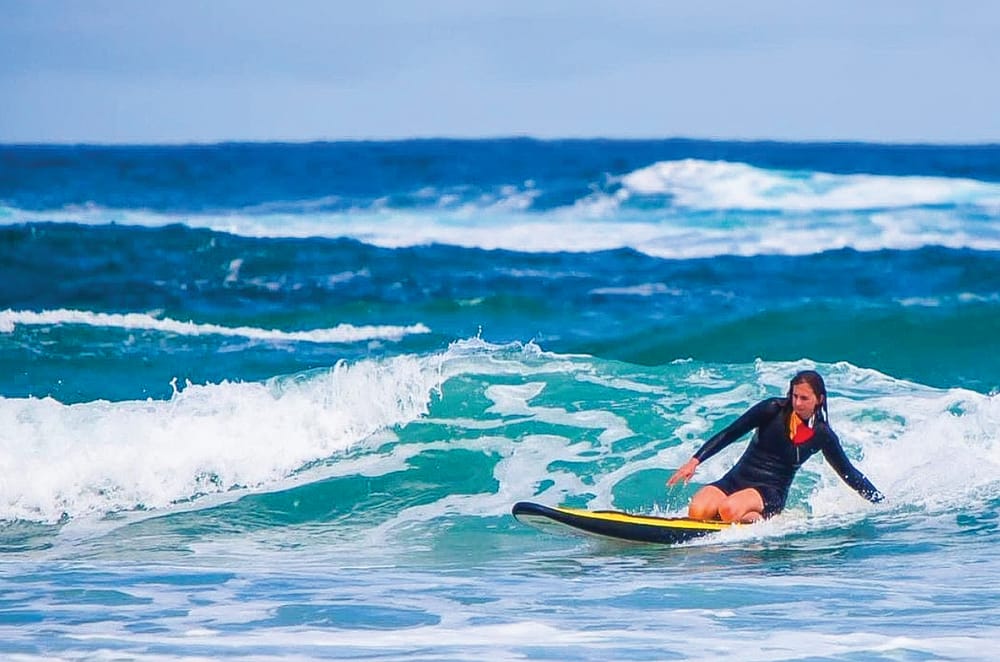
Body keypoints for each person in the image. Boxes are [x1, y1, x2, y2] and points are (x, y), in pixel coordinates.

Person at [667, 370, 884, 523]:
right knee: (698, 510)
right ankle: (731, 521)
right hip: (735, 480)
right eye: (794, 396)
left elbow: (848, 473)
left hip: (769, 493)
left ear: (819, 399)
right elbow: (730, 433)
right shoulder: (772, 409)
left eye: (804, 398)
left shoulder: (822, 434)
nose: (797, 403)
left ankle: (762, 522)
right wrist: (694, 461)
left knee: (728, 509)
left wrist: (881, 504)